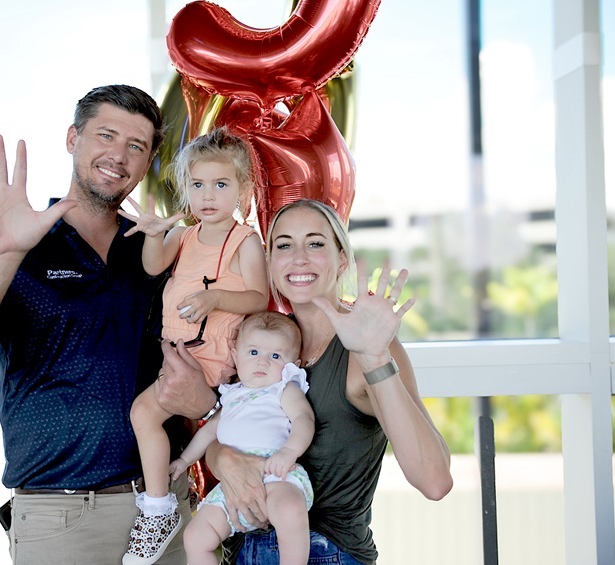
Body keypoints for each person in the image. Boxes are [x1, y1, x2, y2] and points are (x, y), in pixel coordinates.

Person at [0, 84, 217, 565]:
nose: (118, 156)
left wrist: (204, 398)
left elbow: (211, 365)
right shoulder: (15, 246)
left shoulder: (161, 252)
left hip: (168, 512)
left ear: (148, 162)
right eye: (106, 135)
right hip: (62, 521)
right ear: (73, 138)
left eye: (136, 146)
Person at [206, 199, 454, 565]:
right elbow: (228, 426)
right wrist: (222, 457)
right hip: (245, 549)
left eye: (316, 243)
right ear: (271, 262)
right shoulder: (260, 341)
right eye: (284, 245)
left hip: (327, 553)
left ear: (341, 259)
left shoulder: (368, 345)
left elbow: (434, 481)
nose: (299, 257)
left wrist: (374, 356)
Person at [117, 127, 269, 564]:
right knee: (144, 415)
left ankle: (158, 508)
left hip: (209, 355)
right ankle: (161, 503)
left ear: (242, 189)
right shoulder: (184, 235)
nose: (208, 195)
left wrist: (216, 297)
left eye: (221, 185)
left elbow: (258, 297)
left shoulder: (243, 241)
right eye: (197, 185)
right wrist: (151, 233)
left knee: (144, 413)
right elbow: (153, 265)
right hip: (179, 352)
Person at [170, 311, 315, 565]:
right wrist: (183, 461)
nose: (263, 362)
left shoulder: (283, 389)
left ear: (294, 365)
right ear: (236, 356)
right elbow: (208, 432)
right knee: (195, 537)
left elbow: (305, 420)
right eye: (254, 352)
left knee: (291, 510)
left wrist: (288, 452)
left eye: (276, 356)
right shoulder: (231, 396)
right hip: (231, 487)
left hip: (275, 472)